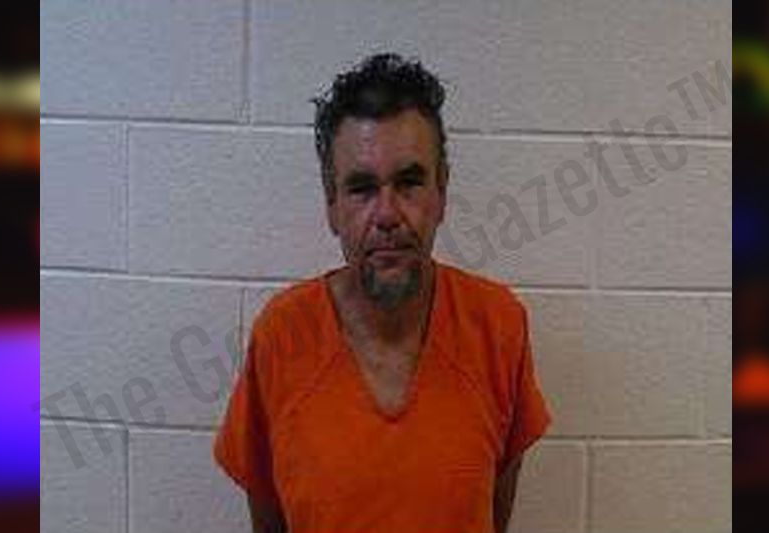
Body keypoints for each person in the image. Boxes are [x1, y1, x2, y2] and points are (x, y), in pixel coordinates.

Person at [213, 53, 551, 533]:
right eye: (362, 188)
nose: (387, 214)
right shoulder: (283, 335)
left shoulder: (497, 327)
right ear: (332, 204)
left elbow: (492, 519)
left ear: (442, 192)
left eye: (409, 182)